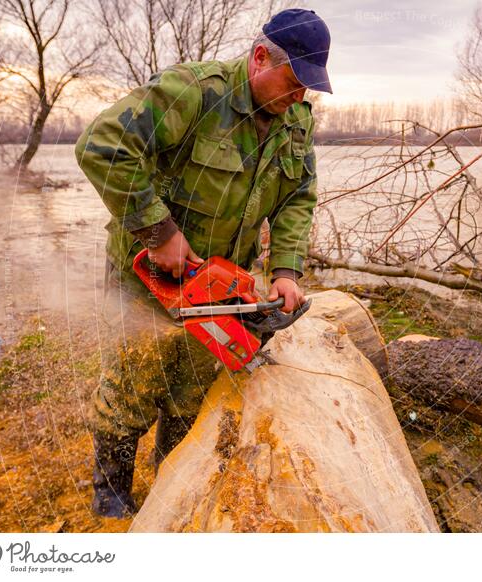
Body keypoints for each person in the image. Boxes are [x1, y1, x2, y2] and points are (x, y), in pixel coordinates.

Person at [74, 8, 332, 518]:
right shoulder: (194, 92)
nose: (300, 96)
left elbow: (299, 196)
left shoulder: (295, 122)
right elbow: (102, 146)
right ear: (261, 57)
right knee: (133, 383)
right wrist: (158, 230)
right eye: (294, 81)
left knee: (191, 391)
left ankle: (174, 483)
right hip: (144, 275)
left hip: (218, 284)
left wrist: (285, 270)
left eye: (310, 87)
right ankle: (111, 494)